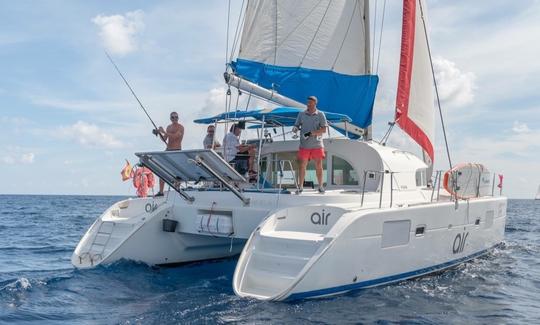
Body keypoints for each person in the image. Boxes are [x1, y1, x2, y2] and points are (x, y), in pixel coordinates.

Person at [293, 96, 328, 194]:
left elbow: (324, 130)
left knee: (319, 165)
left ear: (315, 103)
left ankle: (320, 186)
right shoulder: (301, 114)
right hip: (304, 145)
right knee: (302, 166)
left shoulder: (321, 114)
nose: (308, 104)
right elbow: (296, 125)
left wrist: (311, 133)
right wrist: (295, 128)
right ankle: (300, 187)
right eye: (307, 102)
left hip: (317, 144)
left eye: (310, 102)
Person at [153, 111, 184, 196]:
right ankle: (161, 191)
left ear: (178, 118)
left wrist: (163, 132)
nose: (174, 119)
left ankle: (177, 189)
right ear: (170, 118)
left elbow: (175, 136)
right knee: (161, 170)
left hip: (177, 150)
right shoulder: (168, 127)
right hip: (168, 150)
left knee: (176, 172)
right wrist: (159, 133)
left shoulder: (181, 127)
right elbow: (164, 139)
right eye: (173, 117)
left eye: (176, 117)